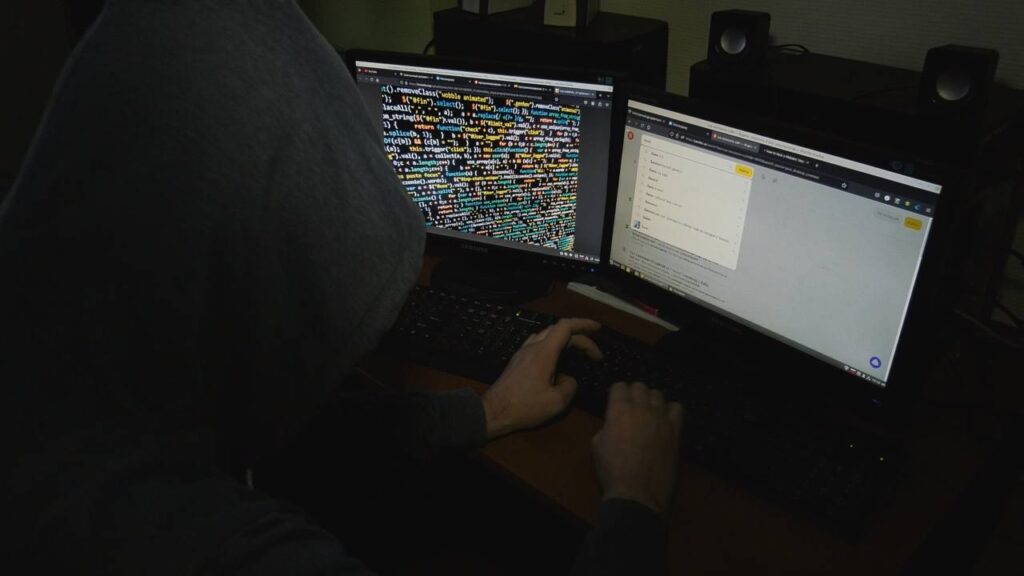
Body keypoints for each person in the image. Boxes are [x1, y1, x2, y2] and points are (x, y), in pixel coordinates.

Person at [1, 0, 683, 573]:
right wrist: (635, 500)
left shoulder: (68, 373)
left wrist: (489, 412)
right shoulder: (176, 539)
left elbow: (298, 444)